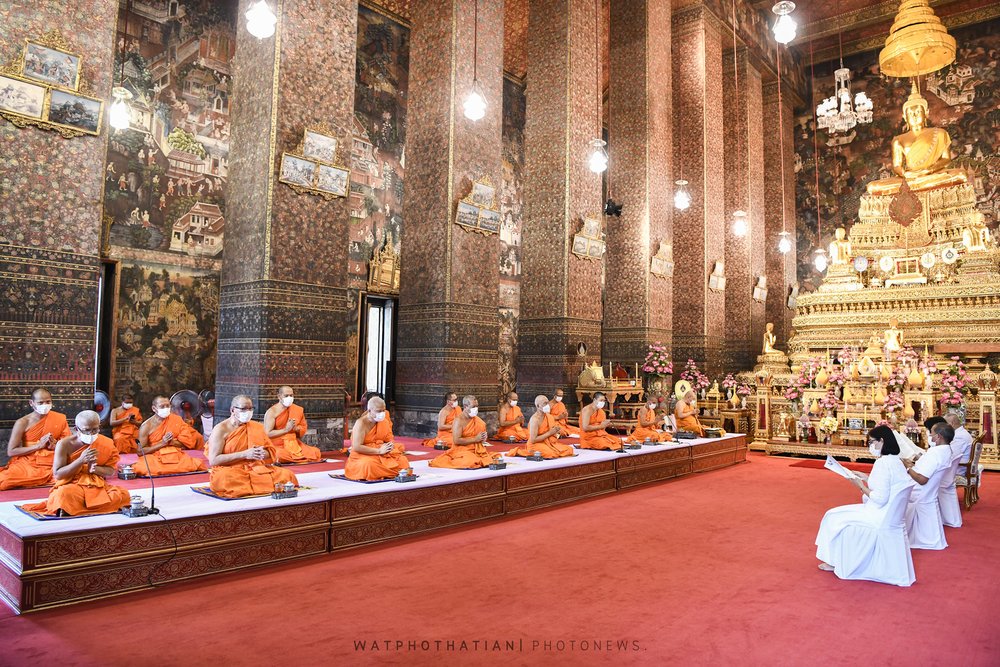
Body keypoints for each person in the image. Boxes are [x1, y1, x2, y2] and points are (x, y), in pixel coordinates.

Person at [815, 425, 917, 586]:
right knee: (832, 514)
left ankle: (834, 560)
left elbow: (880, 498)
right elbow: (887, 484)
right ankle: (833, 559)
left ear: (882, 441)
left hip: (878, 513)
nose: (871, 446)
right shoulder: (895, 461)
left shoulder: (884, 463)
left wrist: (859, 485)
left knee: (832, 517)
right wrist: (865, 476)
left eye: (872, 442)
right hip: (888, 513)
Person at [21, 411, 131, 517]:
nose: (91, 434)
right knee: (63, 495)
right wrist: (80, 461)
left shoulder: (107, 442)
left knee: (123, 495)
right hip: (72, 484)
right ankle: (79, 507)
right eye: (86, 430)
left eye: (95, 429)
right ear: (76, 429)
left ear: (99, 426)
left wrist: (94, 469)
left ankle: (74, 509)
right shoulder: (64, 444)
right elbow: (58, 474)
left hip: (97, 485)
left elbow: (110, 470)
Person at [207, 395, 298, 498]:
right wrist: (245, 454)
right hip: (231, 469)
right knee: (225, 479)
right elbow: (214, 460)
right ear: (232, 410)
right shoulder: (221, 429)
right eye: (244, 409)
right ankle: (258, 486)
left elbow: (270, 451)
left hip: (256, 468)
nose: (248, 412)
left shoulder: (257, 427)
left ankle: (254, 487)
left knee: (287, 474)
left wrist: (262, 453)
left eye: (250, 409)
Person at [0, 389, 71, 490]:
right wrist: (38, 446)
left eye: (48, 402)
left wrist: (56, 445)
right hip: (29, 461)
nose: (45, 405)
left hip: (53, 460)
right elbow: (11, 451)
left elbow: (68, 446)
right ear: (31, 403)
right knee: (4, 480)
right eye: (40, 403)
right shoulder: (23, 422)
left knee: (77, 472)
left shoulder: (60, 418)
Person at [902, 422, 954, 550]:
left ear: (939, 436)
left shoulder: (935, 453)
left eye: (932, 434)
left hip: (917, 489)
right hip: (928, 490)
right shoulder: (946, 450)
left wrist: (908, 468)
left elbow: (922, 479)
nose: (930, 436)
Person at [133, 396, 207, 476]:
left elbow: (186, 444)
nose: (165, 408)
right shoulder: (146, 426)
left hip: (176, 456)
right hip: (156, 457)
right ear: (154, 408)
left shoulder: (177, 420)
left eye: (167, 406)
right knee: (143, 467)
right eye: (162, 406)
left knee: (199, 464)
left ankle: (169, 468)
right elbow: (140, 452)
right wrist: (162, 443)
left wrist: (172, 442)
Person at [345, 396, 410, 480]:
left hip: (381, 452)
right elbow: (357, 447)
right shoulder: (361, 423)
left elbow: (389, 439)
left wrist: (389, 446)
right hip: (364, 454)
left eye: (383, 410)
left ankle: (382, 473)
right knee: (368, 465)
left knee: (403, 461)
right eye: (378, 411)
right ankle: (382, 473)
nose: (382, 413)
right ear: (369, 411)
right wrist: (378, 451)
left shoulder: (384, 420)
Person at [429, 396, 500, 469]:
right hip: (462, 449)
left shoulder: (478, 421)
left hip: (477, 450)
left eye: (477, 406)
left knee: (496, 457)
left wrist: (483, 438)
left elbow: (480, 438)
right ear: (465, 406)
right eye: (473, 406)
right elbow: (456, 440)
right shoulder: (459, 420)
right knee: (470, 461)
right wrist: (475, 439)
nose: (476, 409)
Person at [264, 386, 321, 464]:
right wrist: (286, 430)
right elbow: (268, 433)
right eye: (286, 396)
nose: (289, 398)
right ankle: (290, 458)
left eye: (291, 395)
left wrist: (296, 429)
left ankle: (294, 457)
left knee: (316, 452)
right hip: (278, 444)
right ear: (279, 396)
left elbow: (303, 428)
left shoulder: (298, 409)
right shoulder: (272, 412)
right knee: (278, 454)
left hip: (295, 444)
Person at [507, 396, 574, 459]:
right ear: (538, 406)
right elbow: (533, 440)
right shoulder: (535, 420)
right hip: (536, 444)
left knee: (569, 449)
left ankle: (550, 449)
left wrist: (557, 431)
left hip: (548, 443)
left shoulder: (549, 416)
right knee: (551, 454)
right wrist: (550, 433)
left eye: (547, 403)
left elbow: (553, 432)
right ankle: (520, 452)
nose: (547, 405)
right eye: (545, 404)